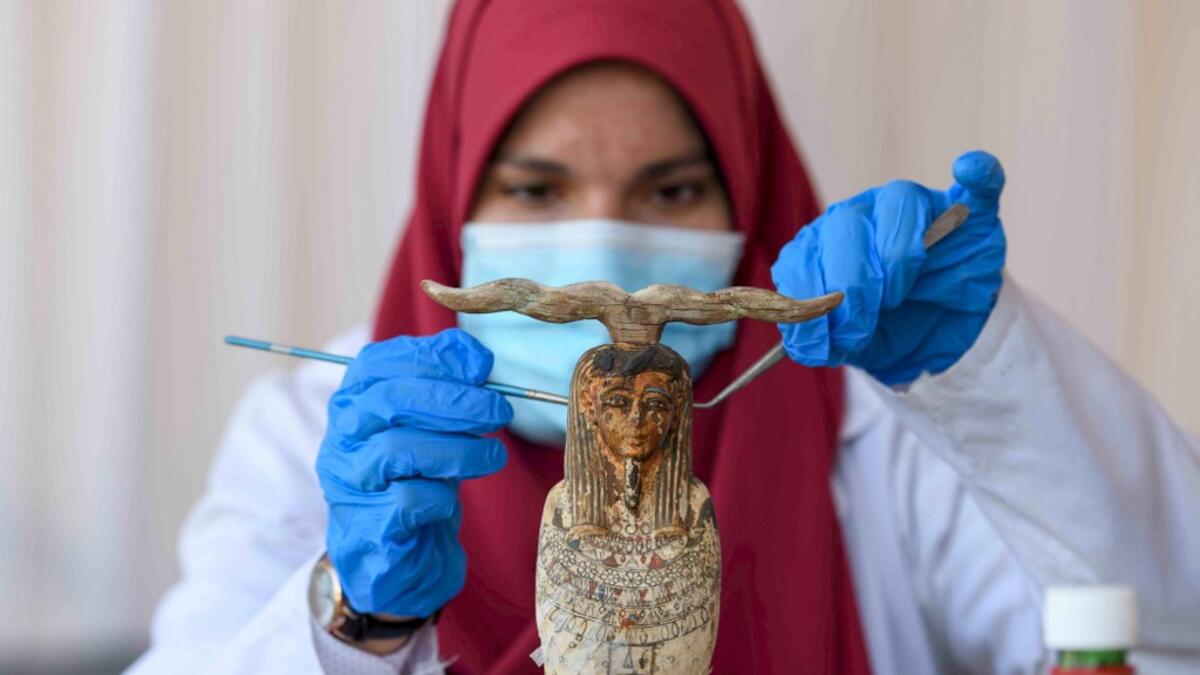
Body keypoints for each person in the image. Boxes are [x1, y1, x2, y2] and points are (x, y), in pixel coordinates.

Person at [129, 1, 1200, 674]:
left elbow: (1157, 638)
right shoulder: (319, 437)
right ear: (453, 195)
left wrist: (992, 373)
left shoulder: (875, 426)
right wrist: (351, 619)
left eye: (673, 189)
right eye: (537, 189)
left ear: (748, 194)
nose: (607, 262)